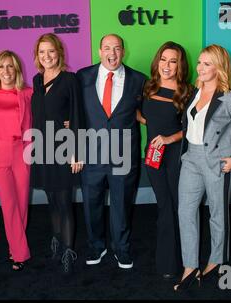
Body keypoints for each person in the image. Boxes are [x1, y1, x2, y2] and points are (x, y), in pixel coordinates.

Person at [174, 44, 231, 291]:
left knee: (217, 215)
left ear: (219, 68)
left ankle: (217, 260)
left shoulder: (230, 99)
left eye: (207, 63)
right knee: (185, 212)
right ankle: (190, 267)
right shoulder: (194, 91)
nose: (200, 67)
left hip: (218, 162)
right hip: (191, 159)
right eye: (199, 62)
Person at [77, 34, 146, 269]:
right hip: (91, 154)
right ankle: (96, 246)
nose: (112, 53)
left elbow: (146, 113)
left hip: (123, 157)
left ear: (123, 52)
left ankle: (121, 249)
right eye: (107, 48)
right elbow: (76, 113)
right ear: (99, 51)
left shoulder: (139, 80)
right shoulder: (83, 76)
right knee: (91, 204)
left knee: (122, 205)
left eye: (117, 48)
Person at [137, 42, 193, 279]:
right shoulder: (148, 87)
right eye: (163, 59)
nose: (167, 65)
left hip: (176, 155)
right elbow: (137, 112)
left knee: (178, 207)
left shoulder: (187, 91)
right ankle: (167, 261)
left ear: (180, 65)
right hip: (153, 155)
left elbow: (192, 127)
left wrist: (169, 138)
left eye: (173, 61)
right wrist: (149, 124)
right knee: (164, 206)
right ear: (157, 61)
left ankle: (181, 260)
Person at [30, 33, 85, 274]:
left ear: (59, 53)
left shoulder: (69, 79)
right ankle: (57, 240)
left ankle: (68, 251)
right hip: (42, 148)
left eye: (51, 51)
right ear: (37, 56)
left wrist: (76, 152)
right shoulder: (37, 80)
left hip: (64, 148)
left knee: (64, 202)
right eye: (42, 52)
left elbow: (76, 115)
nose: (47, 56)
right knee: (51, 201)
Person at [0, 50, 32, 271]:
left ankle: (15, 247)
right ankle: (19, 252)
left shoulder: (27, 94)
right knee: (8, 203)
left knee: (21, 202)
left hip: (21, 151)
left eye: (10, 66)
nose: (6, 71)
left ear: (17, 70)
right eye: (1, 67)